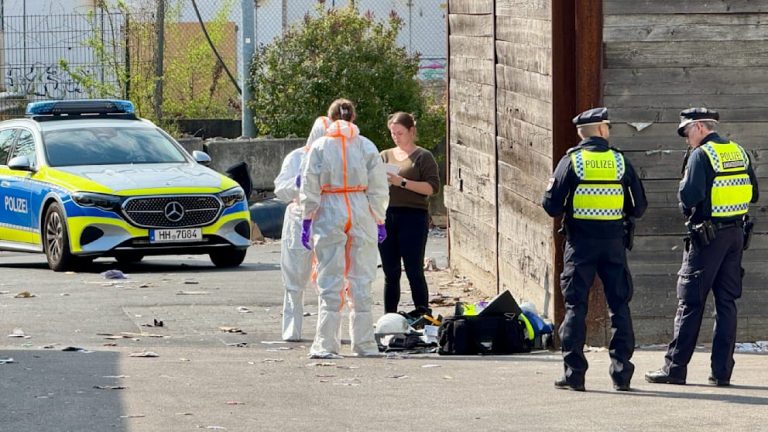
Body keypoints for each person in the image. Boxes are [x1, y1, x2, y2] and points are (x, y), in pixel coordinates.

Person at [646, 108, 758, 387]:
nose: (686, 139)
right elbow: (753, 192)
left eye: (686, 132)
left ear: (698, 127)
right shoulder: (739, 151)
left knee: (690, 302)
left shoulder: (702, 155)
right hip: (734, 235)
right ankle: (721, 373)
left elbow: (690, 195)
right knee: (727, 303)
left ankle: (675, 368)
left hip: (707, 237)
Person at [542, 107, 647, 392]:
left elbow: (550, 205)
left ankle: (574, 375)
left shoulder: (572, 161)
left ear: (581, 133)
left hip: (580, 245)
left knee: (576, 307)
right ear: (601, 130)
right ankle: (622, 376)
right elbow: (638, 208)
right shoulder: (620, 162)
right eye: (608, 127)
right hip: (614, 244)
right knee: (620, 306)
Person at [299, 99, 389, 358]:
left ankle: (326, 344)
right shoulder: (365, 145)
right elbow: (379, 185)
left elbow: (309, 182)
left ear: (329, 118)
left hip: (329, 207)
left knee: (330, 278)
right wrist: (379, 218)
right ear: (353, 117)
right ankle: (364, 344)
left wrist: (307, 217)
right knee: (362, 278)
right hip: (360, 207)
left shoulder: (319, 146)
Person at [378, 112, 440, 317]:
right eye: (393, 133)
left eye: (400, 133)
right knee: (390, 271)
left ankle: (423, 313)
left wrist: (402, 182)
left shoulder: (423, 156)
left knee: (414, 269)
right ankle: (390, 315)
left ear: (412, 131)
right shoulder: (385, 155)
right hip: (387, 215)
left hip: (413, 216)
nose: (396, 137)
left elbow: (432, 188)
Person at [273, 115, 329, 341]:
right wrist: (297, 185)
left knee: (328, 276)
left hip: (327, 216)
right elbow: (280, 188)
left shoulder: (338, 157)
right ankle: (292, 330)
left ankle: (325, 330)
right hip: (299, 216)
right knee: (294, 274)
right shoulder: (296, 157)